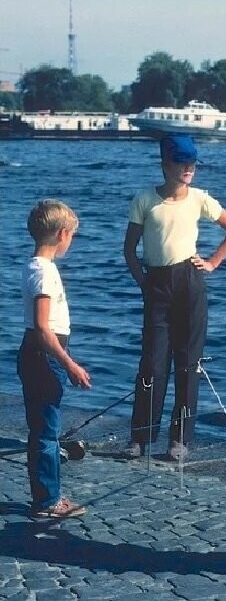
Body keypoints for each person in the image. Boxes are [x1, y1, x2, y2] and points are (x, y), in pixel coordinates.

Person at [123, 134, 226, 461]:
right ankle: (141, 438)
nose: (188, 168)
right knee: (152, 362)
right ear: (165, 164)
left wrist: (214, 262)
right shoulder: (146, 199)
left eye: (192, 163)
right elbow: (129, 249)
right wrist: (143, 282)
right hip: (156, 285)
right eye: (181, 162)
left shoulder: (200, 199)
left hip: (189, 283)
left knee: (188, 364)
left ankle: (180, 441)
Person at [18, 199, 92, 518]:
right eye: (71, 236)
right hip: (44, 355)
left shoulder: (33, 266)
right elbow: (42, 329)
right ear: (62, 234)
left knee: (42, 427)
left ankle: (46, 494)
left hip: (36, 354)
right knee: (46, 430)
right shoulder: (44, 273)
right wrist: (70, 364)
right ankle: (48, 501)